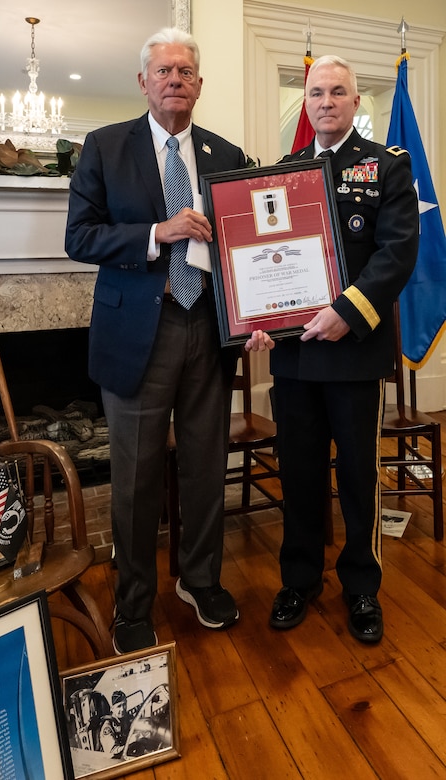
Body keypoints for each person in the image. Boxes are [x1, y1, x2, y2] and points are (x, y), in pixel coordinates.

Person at [65, 27, 246, 653]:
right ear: (143, 82)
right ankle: (133, 602)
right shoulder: (104, 147)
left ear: (199, 84)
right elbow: (80, 237)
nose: (175, 80)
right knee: (136, 477)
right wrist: (156, 233)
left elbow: (247, 250)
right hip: (139, 328)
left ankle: (200, 580)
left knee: (204, 466)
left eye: (186, 71)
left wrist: (256, 318)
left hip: (210, 328)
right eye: (164, 71)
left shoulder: (229, 156)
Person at [246, 55, 418, 643]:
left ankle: (362, 587)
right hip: (294, 358)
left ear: (354, 102)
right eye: (315, 91)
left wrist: (348, 313)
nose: (324, 101)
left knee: (359, 473)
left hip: (354, 351)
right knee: (298, 471)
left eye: (337, 92)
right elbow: (263, 257)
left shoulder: (386, 166)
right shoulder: (284, 171)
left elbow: (396, 254)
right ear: (306, 101)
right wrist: (260, 318)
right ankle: (299, 579)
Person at [98, 691, 129, 758]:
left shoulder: (125, 720)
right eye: (119, 706)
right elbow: (113, 753)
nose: (122, 709)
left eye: (124, 704)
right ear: (112, 709)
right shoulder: (107, 727)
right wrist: (130, 745)